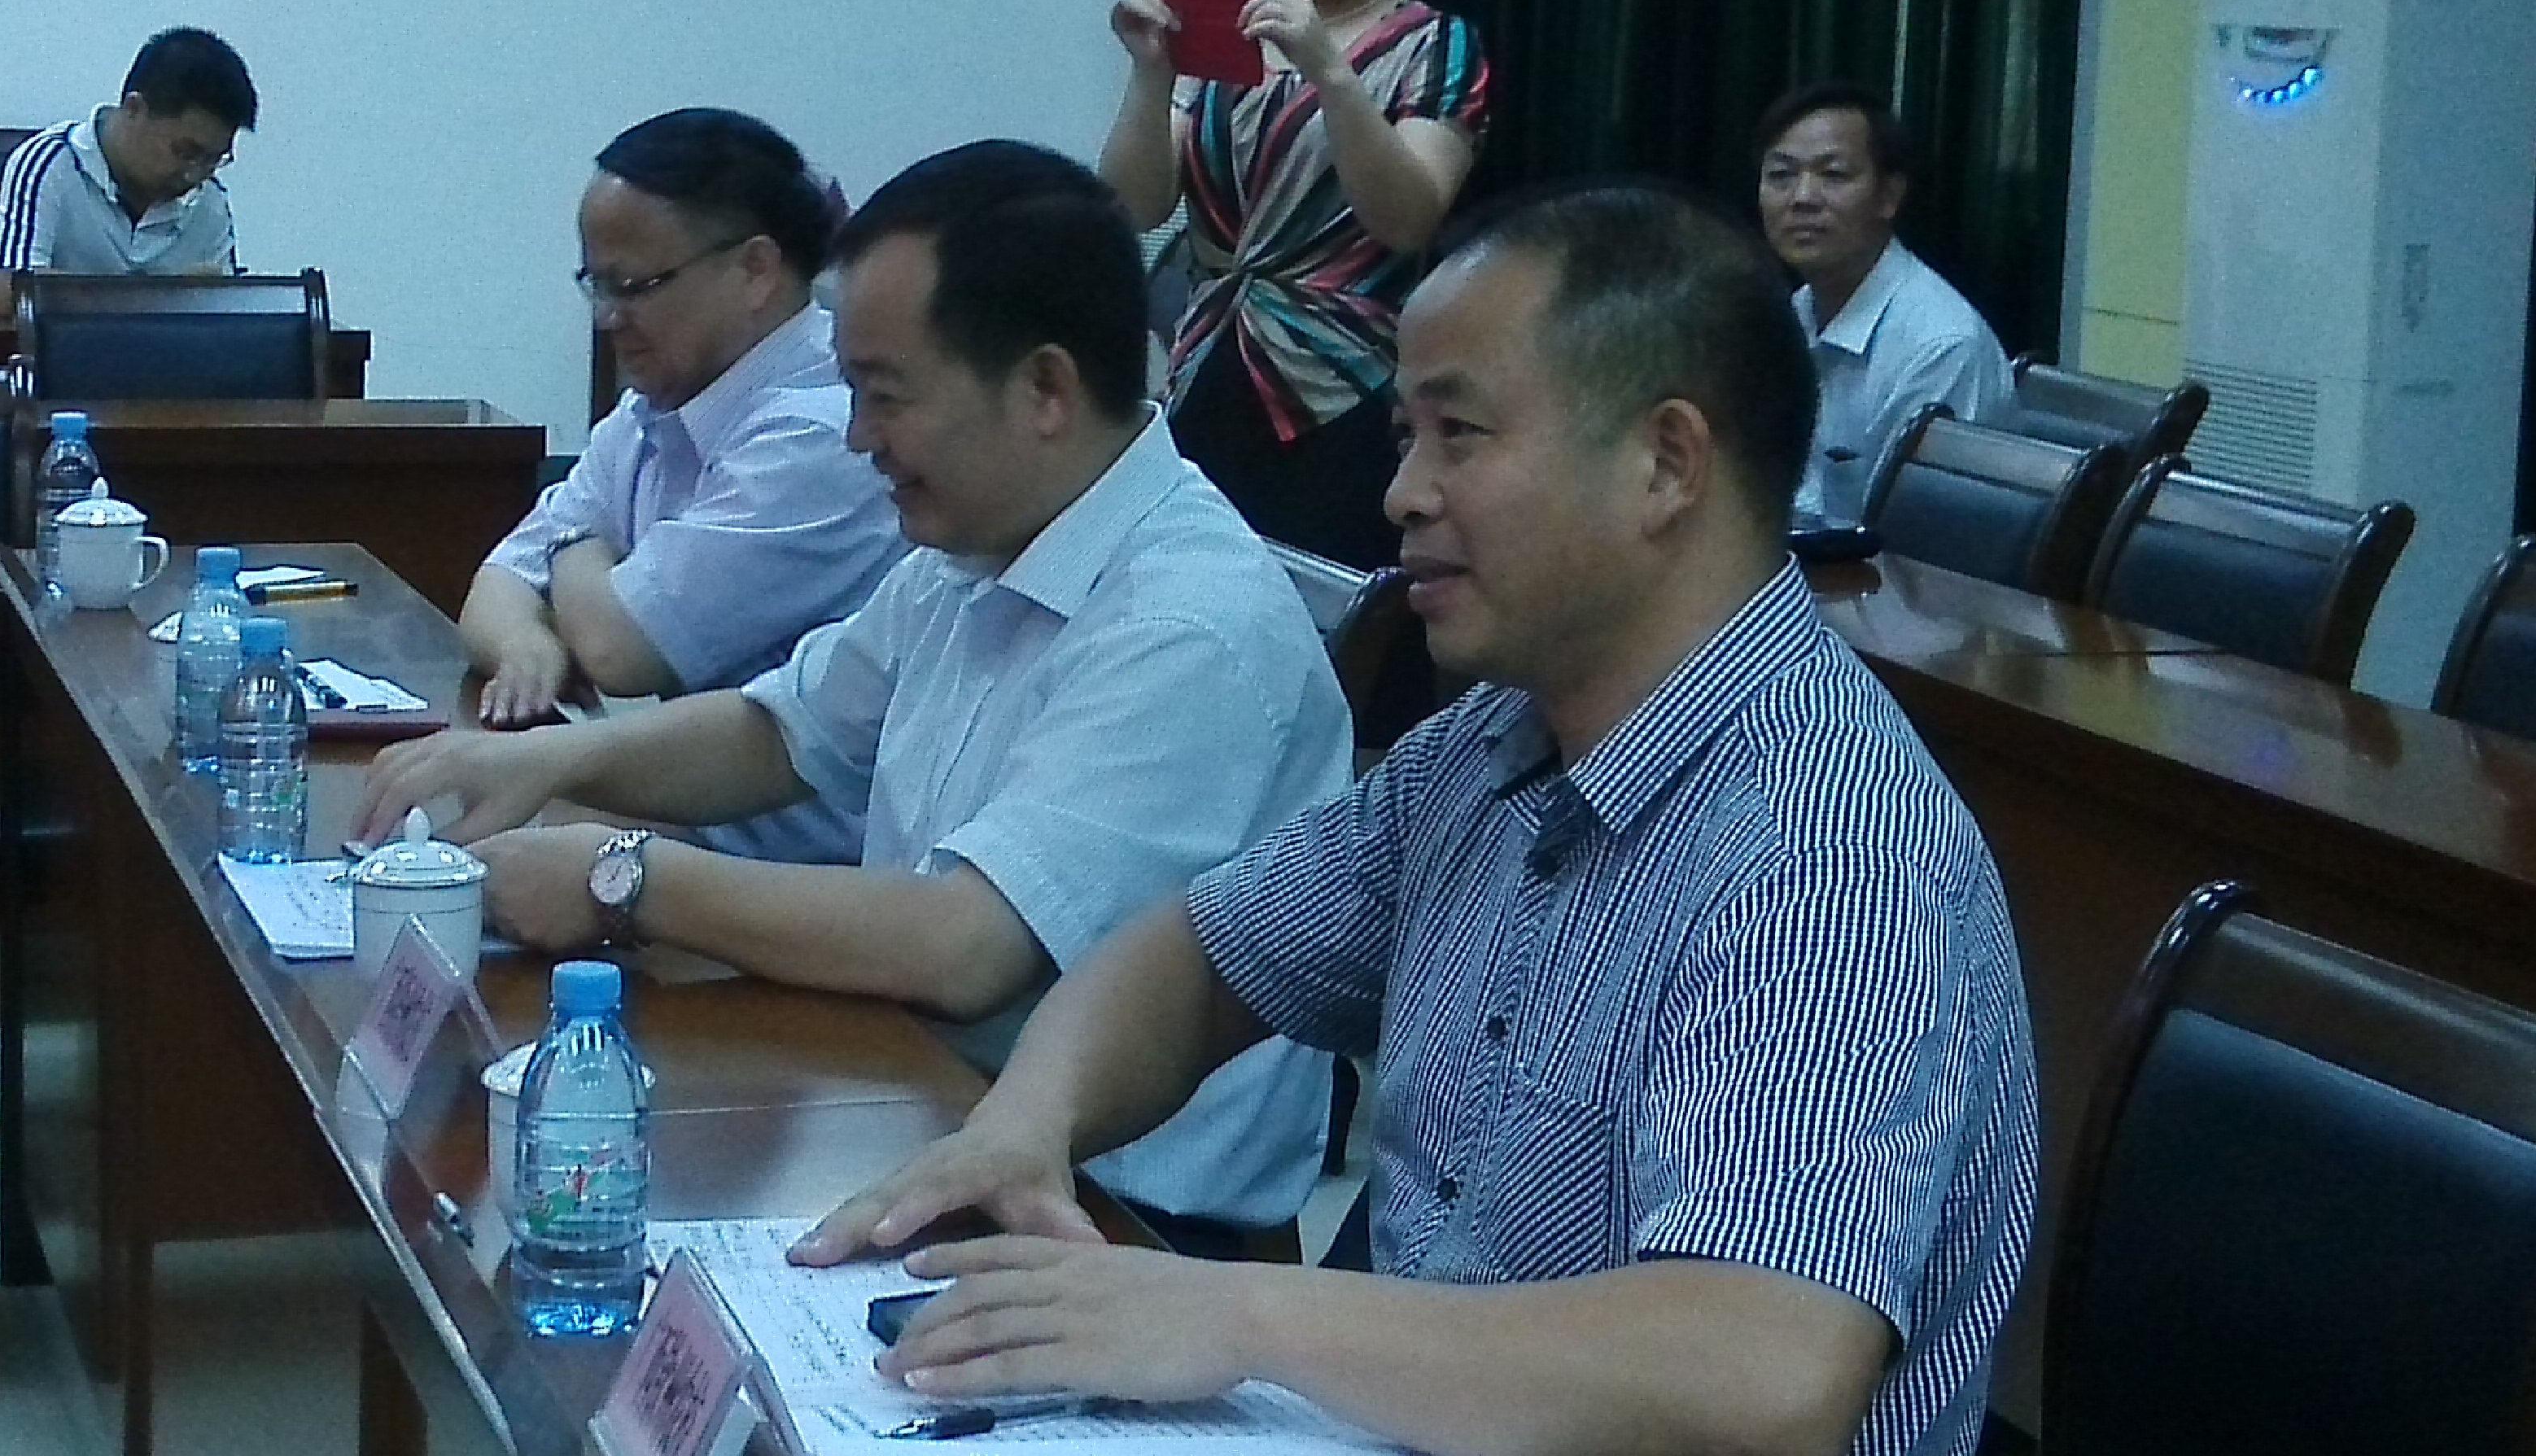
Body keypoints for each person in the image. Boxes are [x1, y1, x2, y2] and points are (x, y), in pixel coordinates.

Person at [796, 185, 2036, 1456]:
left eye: (1459, 435)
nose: (1400, 492)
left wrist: (1239, 1316)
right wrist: (1026, 1127)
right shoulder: (1486, 749)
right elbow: (1201, 957)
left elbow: (1759, 1366)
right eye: (1405, 435)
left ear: (1666, 464)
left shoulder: (1826, 852)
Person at [366, 142, 1345, 1257]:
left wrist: (622, 877)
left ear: (1045, 389)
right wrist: (546, 761)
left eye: (884, 396)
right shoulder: (976, 546)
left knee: (587, 1217)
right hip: (914, 1100)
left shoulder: (1187, 624)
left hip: (1117, 1224)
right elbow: (779, 733)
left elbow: (965, 947)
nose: (855, 437)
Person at [462, 109, 906, 866]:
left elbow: (620, 651)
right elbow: (496, 583)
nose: (609, 318)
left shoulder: (826, 429)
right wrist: (526, 641)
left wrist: (575, 544)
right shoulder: (658, 403)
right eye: (596, 286)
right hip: (685, 823)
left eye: (634, 286)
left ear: (755, 269)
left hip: (804, 870)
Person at [1098, 0, 1493, 577]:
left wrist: (1329, 71)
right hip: (1209, 371)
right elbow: (1132, 206)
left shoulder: (1436, 44)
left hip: (1349, 391)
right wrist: (1149, 75)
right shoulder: (1235, 24)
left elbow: (1406, 216)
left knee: (1327, 612)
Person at [1751, 82, 2012, 522]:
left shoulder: (1942, 349)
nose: (1802, 198)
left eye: (1833, 175)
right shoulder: (1800, 309)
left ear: (1889, 196)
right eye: (1781, 175)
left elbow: (1919, 535)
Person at [0, 27, 252, 313]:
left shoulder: (209, 200)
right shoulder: (51, 164)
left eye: (214, 160)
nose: (195, 175)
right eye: (186, 153)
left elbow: (227, 312)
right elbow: (11, 289)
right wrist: (166, 296)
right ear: (134, 109)